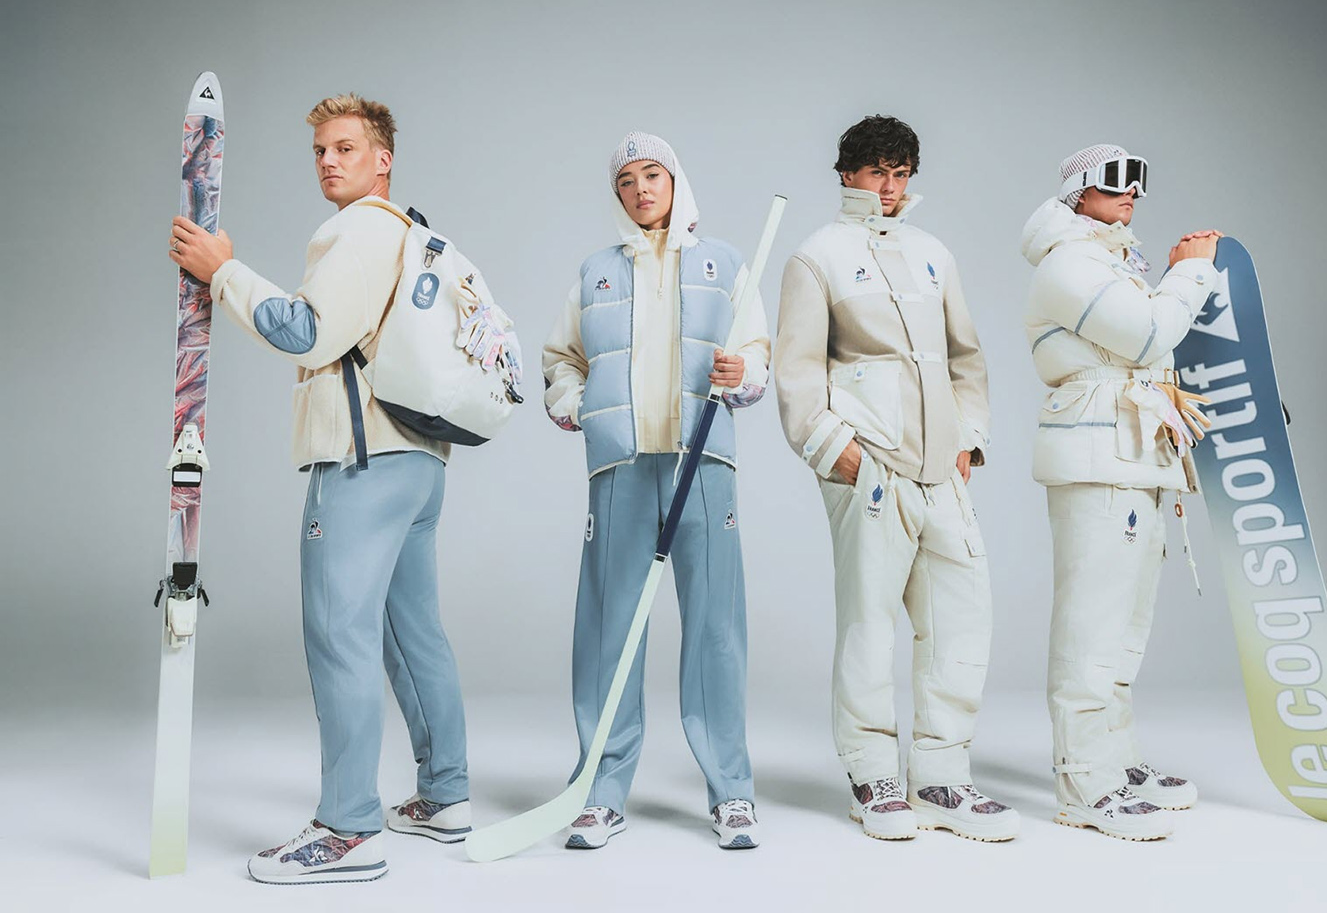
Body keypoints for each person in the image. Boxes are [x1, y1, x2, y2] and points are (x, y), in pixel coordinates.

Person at [169, 93, 495, 883]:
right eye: (319, 150)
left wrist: (222, 272)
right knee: (412, 633)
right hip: (420, 463)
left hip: (358, 464)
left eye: (345, 148)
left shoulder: (360, 230)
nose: (327, 161)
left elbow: (306, 332)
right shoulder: (414, 235)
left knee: (339, 634)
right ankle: (445, 794)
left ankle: (349, 828)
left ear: (383, 160)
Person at [774, 115, 1018, 842]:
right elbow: (797, 372)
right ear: (847, 173)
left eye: (901, 172)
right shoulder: (816, 256)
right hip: (872, 467)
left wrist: (969, 443)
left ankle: (941, 778)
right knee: (869, 626)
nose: (889, 186)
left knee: (960, 625)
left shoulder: (934, 254)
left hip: (942, 473)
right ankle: (872, 776)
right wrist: (838, 453)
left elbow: (966, 359)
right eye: (877, 171)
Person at [541, 131, 770, 850]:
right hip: (622, 465)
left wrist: (744, 375)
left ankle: (731, 792)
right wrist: (576, 405)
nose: (640, 190)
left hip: (702, 459)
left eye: (652, 175)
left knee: (715, 629)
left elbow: (757, 353)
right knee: (609, 629)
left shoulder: (724, 263)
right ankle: (599, 791)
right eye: (626, 181)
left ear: (676, 181)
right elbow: (561, 360)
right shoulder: (596, 271)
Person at [1020, 143, 1220, 840]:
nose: (1130, 191)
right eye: (1114, 181)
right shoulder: (1069, 264)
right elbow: (1147, 336)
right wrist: (1190, 272)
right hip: (1099, 456)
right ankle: (1084, 783)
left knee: (1127, 627)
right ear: (1079, 192)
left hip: (1134, 452)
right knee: (1093, 627)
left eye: (1137, 180)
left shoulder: (1113, 262)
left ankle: (1118, 761)